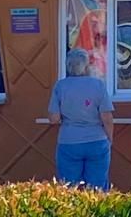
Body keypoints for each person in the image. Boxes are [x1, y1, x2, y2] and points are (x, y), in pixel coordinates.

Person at [48, 48, 115, 189]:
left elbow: (54, 118)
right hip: (97, 141)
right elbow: (107, 118)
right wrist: (109, 139)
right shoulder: (98, 85)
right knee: (98, 189)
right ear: (86, 66)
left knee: (68, 188)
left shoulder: (60, 86)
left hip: (69, 142)